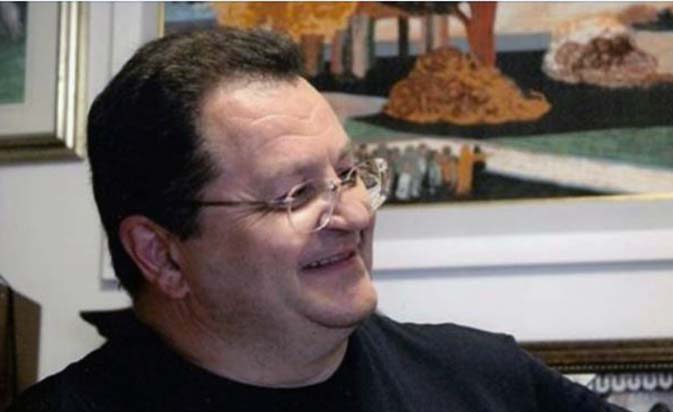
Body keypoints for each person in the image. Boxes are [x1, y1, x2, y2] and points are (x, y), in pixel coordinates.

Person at [9, 28, 627, 412]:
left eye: (349, 173)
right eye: (296, 194)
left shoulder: (487, 381)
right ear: (162, 254)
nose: (355, 213)